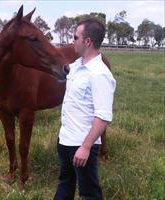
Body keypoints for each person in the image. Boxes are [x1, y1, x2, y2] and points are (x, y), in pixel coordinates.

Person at [54, 19, 116, 200]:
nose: (72, 41)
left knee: (89, 193)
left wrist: (86, 147)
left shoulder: (100, 74)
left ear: (87, 41)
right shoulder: (76, 66)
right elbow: (61, 70)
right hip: (65, 140)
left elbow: (103, 116)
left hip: (82, 145)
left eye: (75, 37)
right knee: (65, 183)